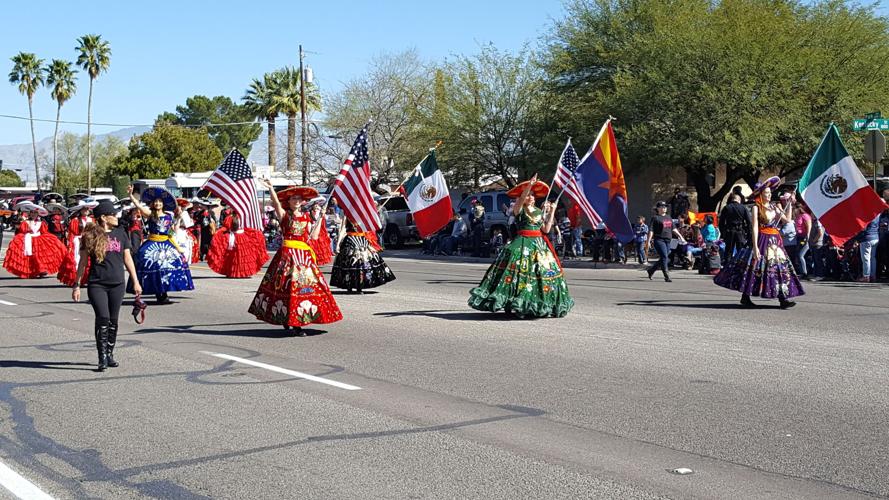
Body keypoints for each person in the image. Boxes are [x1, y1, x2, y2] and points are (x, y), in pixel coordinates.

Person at [468, 175, 574, 318]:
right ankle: (513, 300)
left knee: (543, 272)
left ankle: (539, 303)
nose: (531, 197)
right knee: (515, 270)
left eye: (533, 195)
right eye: (529, 195)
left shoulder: (539, 212)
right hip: (522, 242)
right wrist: (529, 185)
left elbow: (546, 229)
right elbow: (521, 200)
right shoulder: (519, 209)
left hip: (539, 244)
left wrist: (552, 211)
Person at [249, 181, 342, 335]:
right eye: (294, 198)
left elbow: (314, 236)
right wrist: (271, 188)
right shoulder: (285, 215)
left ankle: (297, 321)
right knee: (288, 289)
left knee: (305, 289)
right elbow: (276, 204)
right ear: (289, 201)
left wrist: (320, 218)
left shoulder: (306, 217)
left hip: (304, 258)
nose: (297, 201)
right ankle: (292, 322)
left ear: (303, 201)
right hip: (287, 257)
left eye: (299, 198)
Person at [72, 200, 142, 371]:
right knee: (103, 317)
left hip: (117, 284)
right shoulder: (90, 236)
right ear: (103, 217)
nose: (117, 217)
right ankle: (102, 356)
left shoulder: (121, 233)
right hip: (97, 284)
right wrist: (77, 285)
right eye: (113, 214)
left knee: (113, 320)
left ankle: (110, 353)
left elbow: (127, 259)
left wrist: (135, 281)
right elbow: (83, 262)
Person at [714, 176, 804, 308]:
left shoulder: (774, 206)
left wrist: (789, 203)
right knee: (755, 267)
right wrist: (755, 246)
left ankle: (783, 297)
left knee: (779, 268)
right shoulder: (756, 207)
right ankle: (746, 296)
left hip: (775, 241)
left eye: (769, 192)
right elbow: (755, 227)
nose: (769, 195)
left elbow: (787, 220)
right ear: (760, 194)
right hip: (762, 239)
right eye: (766, 193)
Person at [127, 186, 195, 305]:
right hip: (152, 243)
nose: (157, 203)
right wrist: (131, 195)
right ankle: (158, 292)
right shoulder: (150, 214)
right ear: (153, 204)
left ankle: (165, 291)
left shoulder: (169, 216)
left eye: (160, 202)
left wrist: (178, 218)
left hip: (166, 243)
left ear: (163, 204)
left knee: (171, 265)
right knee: (152, 265)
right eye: (156, 202)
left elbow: (171, 232)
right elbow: (138, 206)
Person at [330, 216, 396, 293]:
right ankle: (349, 285)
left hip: (362, 240)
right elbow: (343, 229)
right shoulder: (347, 215)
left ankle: (360, 286)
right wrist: (338, 244)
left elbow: (369, 228)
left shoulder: (362, 214)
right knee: (349, 263)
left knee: (362, 263)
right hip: (350, 240)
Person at [2, 203, 67, 278]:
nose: (33, 214)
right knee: (30, 256)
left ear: (38, 214)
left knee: (40, 256)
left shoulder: (41, 223)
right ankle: (31, 271)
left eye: (35, 213)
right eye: (32, 212)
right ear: (29, 213)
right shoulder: (25, 222)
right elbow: (21, 231)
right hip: (28, 239)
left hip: (38, 240)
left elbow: (44, 231)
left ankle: (41, 270)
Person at [207, 210, 269, 278]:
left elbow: (226, 227)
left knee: (235, 255)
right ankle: (243, 273)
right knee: (242, 255)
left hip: (235, 236)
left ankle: (236, 272)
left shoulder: (230, 218)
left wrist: (219, 232)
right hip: (242, 236)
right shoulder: (242, 216)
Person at [57, 199, 98, 286]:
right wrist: (70, 243)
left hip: (90, 242)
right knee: (78, 259)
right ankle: (77, 279)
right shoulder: (75, 220)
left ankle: (86, 279)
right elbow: (72, 233)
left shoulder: (92, 220)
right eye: (84, 209)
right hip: (78, 242)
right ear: (80, 210)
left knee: (89, 260)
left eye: (87, 209)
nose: (86, 210)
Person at [646, 201, 685, 282]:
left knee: (665, 257)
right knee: (664, 256)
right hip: (659, 240)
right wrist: (648, 241)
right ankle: (666, 275)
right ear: (658, 208)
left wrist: (681, 237)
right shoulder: (655, 218)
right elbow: (651, 230)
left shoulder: (668, 217)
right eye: (662, 207)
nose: (664, 208)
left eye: (665, 207)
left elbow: (673, 229)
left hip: (668, 240)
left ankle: (651, 270)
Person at [718, 193, 752, 261]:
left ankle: (727, 264)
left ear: (732, 199)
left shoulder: (726, 207)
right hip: (740, 231)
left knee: (728, 250)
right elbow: (749, 221)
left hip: (729, 231)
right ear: (739, 200)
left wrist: (723, 233)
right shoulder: (743, 208)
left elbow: (721, 222)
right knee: (741, 250)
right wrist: (749, 234)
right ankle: (739, 264)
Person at [307, 200, 334, 266]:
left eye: (318, 205)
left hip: (321, 232)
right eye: (315, 205)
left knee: (321, 247)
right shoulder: (309, 213)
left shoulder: (321, 213)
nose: (316, 206)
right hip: (313, 231)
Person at [856, 213, 880, 283]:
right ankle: (873, 276)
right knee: (873, 258)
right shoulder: (878, 214)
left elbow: (863, 228)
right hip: (875, 237)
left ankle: (866, 276)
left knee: (866, 258)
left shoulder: (867, 215)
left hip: (866, 238)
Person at [794, 203, 813, 279]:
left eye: (795, 209)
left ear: (799, 209)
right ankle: (802, 272)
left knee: (801, 255)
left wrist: (807, 237)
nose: (794, 210)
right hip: (799, 237)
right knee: (798, 255)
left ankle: (805, 272)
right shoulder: (797, 216)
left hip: (805, 238)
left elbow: (809, 226)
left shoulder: (805, 216)